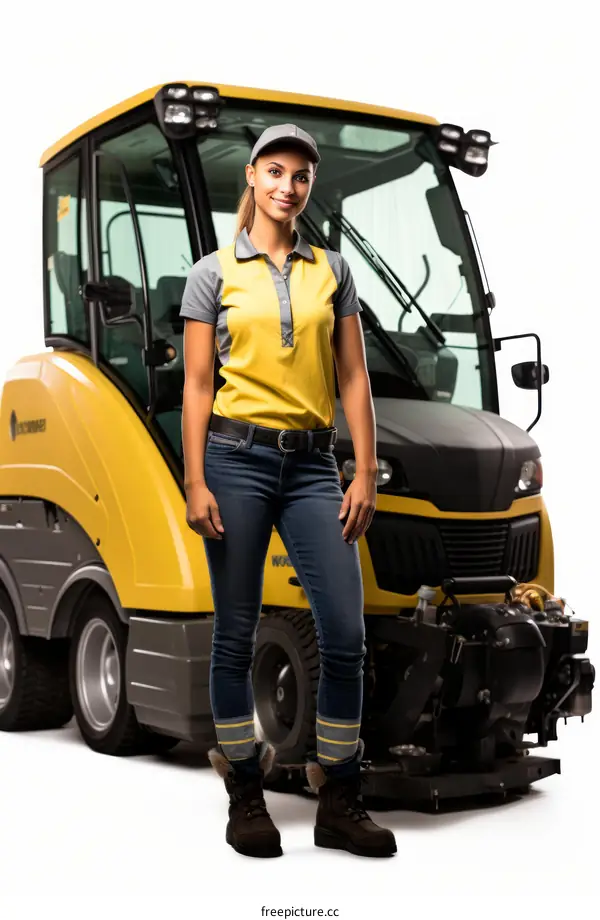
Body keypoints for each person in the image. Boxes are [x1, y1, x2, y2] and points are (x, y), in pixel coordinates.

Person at [179, 123, 396, 860]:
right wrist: (195, 479)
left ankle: (338, 796)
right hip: (234, 461)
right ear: (250, 176)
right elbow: (200, 385)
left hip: (310, 468)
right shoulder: (212, 273)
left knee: (344, 634)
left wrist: (362, 470)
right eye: (275, 171)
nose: (288, 186)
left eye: (300, 176)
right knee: (235, 636)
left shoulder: (331, 269)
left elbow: (354, 377)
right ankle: (245, 789)